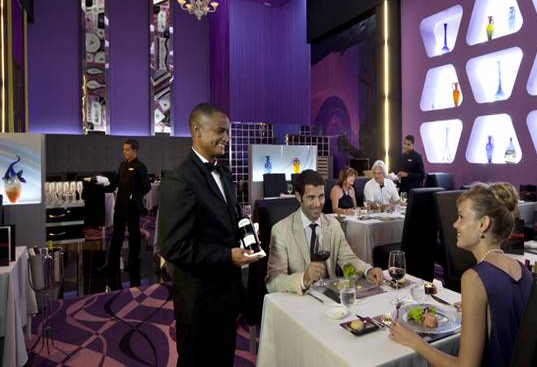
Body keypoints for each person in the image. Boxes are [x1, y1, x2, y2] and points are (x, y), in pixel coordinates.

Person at [157, 103, 259, 367]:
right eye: (220, 131)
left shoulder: (223, 173)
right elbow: (173, 247)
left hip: (227, 298)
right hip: (199, 303)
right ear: (197, 130)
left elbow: (231, 220)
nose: (227, 138)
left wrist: (249, 234)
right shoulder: (179, 180)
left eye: (228, 132)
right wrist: (227, 256)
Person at [389, 183, 533, 367]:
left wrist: (414, 341)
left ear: (483, 223)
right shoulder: (521, 269)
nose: (455, 224)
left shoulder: (474, 278)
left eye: (462, 217)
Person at [266, 169, 383, 294]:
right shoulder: (281, 230)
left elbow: (348, 258)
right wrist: (303, 279)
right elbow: (273, 281)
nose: (317, 204)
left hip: (330, 297)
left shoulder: (333, 224)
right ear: (299, 197)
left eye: (321, 196)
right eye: (311, 197)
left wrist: (367, 270)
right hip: (299, 298)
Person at [104, 139, 150, 288]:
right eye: (123, 149)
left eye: (127, 150)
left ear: (135, 150)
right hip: (120, 206)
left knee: (134, 234)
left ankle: (133, 261)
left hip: (132, 207)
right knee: (117, 235)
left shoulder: (140, 167)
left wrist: (136, 196)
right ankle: (112, 263)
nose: (124, 152)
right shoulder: (122, 165)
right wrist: (105, 183)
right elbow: (118, 183)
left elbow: (146, 186)